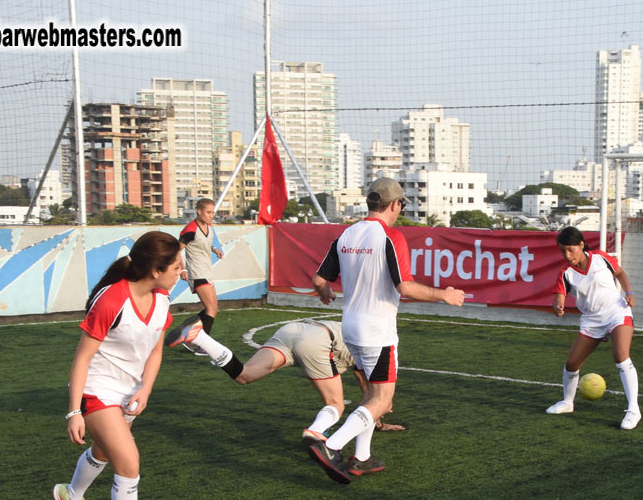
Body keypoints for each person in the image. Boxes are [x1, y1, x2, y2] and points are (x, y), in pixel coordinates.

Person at [304, 176, 465, 483]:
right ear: (395, 204)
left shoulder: (347, 235)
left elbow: (318, 280)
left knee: (371, 395)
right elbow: (404, 286)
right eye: (401, 204)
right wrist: (444, 294)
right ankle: (332, 445)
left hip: (350, 329)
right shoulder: (391, 237)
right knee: (383, 401)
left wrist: (325, 293)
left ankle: (361, 457)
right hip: (377, 331)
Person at [52, 231, 183, 500]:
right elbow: (81, 358)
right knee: (128, 461)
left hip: (129, 394)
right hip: (96, 390)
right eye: (176, 266)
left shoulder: (163, 300)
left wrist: (145, 390)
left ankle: (70, 496)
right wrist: (74, 410)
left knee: (105, 452)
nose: (181, 272)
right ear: (155, 269)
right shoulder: (111, 299)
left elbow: (155, 351)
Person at [164, 317, 407, 444]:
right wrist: (378, 416)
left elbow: (367, 389)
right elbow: (370, 393)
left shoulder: (365, 336)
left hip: (293, 330)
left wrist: (377, 417)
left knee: (244, 375)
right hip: (318, 340)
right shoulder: (378, 349)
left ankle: (200, 337)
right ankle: (315, 434)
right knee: (336, 404)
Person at [546, 226, 641, 430]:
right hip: (591, 320)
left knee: (621, 355)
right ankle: (567, 402)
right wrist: (558, 307)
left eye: (571, 249)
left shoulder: (600, 258)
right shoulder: (565, 273)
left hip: (618, 312)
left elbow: (620, 273)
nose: (567, 255)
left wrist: (629, 292)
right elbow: (559, 298)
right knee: (572, 364)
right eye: (563, 251)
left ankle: (634, 409)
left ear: (581, 245)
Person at [173, 198, 224, 354]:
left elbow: (204, 243)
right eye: (208, 212)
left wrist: (214, 249)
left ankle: (186, 331)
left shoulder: (208, 227)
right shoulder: (190, 229)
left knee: (213, 308)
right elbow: (176, 250)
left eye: (212, 212)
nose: (211, 215)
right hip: (197, 273)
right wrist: (182, 269)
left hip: (207, 272)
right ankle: (202, 345)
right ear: (199, 211)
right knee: (210, 308)